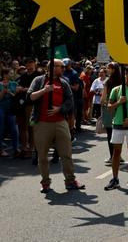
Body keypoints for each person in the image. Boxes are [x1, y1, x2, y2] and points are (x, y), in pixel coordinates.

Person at [26, 59, 85, 193]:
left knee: (67, 153)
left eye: (63, 67)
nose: (63, 69)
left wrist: (60, 109)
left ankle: (70, 180)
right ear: (52, 67)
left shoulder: (63, 83)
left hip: (60, 122)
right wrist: (44, 90)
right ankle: (45, 183)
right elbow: (30, 97)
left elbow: (70, 101)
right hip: (42, 123)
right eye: (61, 67)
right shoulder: (38, 81)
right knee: (42, 156)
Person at [15, 58, 39, 159]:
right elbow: (17, 87)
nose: (29, 65)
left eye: (31, 63)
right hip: (21, 104)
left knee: (31, 127)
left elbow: (38, 89)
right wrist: (17, 88)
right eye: (27, 63)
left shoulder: (38, 76)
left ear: (35, 64)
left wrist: (24, 89)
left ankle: (31, 149)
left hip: (32, 104)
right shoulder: (23, 76)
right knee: (22, 127)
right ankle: (24, 148)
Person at [0, 68, 19, 157]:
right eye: (10, 73)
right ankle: (1, 150)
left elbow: (16, 96)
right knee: (1, 128)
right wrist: (3, 92)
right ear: (4, 74)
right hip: (1, 108)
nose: (11, 75)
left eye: (12, 73)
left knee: (14, 129)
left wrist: (12, 92)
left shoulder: (14, 84)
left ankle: (16, 148)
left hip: (11, 109)